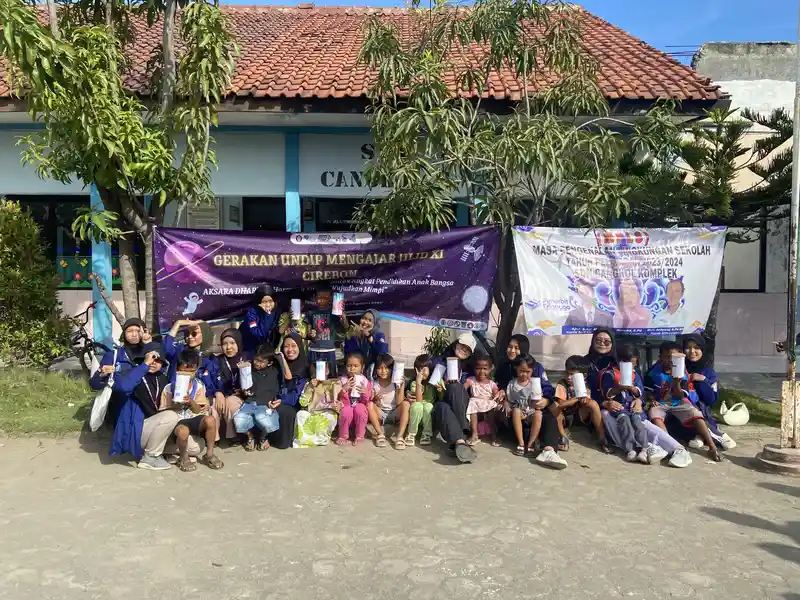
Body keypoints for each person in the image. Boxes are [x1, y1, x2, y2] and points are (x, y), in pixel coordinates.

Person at [93, 341, 180, 470]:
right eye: (151, 358)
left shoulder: (163, 379)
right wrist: (144, 365)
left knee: (195, 446)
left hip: (154, 429)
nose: (153, 362)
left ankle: (161, 452)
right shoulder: (133, 375)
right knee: (170, 416)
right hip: (136, 432)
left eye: (158, 359)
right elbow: (124, 386)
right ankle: (150, 457)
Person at [645, 341, 723, 462]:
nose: (670, 361)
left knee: (696, 414)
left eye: (674, 358)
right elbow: (647, 390)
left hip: (678, 403)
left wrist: (676, 383)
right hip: (660, 403)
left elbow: (681, 396)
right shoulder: (653, 372)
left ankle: (712, 447)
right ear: (660, 358)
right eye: (667, 357)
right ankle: (671, 447)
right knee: (654, 415)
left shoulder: (682, 373)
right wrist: (652, 399)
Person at [162, 351, 223, 471]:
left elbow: (197, 410)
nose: (188, 374)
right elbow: (163, 411)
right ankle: (184, 458)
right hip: (176, 421)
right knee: (183, 431)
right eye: (185, 370)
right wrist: (176, 404)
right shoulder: (169, 388)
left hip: (192, 418)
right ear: (177, 369)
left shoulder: (199, 386)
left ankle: (209, 454)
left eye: (192, 371)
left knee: (210, 420)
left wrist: (190, 401)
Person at [680, 334, 736, 450]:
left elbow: (712, 400)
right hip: (682, 410)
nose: (692, 351)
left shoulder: (708, 372)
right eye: (688, 347)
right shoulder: (679, 367)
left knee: (698, 411)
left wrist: (703, 380)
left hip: (702, 411)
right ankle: (713, 435)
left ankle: (702, 435)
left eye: (696, 348)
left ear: (703, 350)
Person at [599, 344, 648, 463]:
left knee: (637, 422)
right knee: (624, 420)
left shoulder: (635, 374)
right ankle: (630, 449)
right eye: (629, 364)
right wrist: (619, 388)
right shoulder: (610, 374)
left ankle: (644, 448)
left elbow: (640, 393)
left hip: (631, 406)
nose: (632, 366)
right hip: (620, 407)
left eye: (634, 364)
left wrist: (632, 388)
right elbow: (607, 393)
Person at [234, 344, 281, 451]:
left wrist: (272, 400)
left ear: (270, 363)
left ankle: (263, 437)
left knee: (266, 420)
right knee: (239, 419)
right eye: (256, 359)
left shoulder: (274, 372)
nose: (257, 363)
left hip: (265, 402)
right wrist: (244, 392)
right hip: (250, 401)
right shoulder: (248, 369)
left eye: (261, 361)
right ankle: (250, 437)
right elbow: (243, 386)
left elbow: (276, 387)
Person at [206, 328, 247, 443]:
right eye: (225, 344)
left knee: (230, 402)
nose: (228, 347)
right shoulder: (216, 361)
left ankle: (234, 436)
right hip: (223, 395)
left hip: (243, 396)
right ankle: (214, 439)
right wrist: (217, 392)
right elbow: (209, 380)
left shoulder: (247, 358)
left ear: (238, 343)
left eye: (232, 343)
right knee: (213, 403)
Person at [507, 354, 550, 457]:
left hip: (531, 411)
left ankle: (531, 444)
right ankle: (521, 443)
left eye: (527, 372)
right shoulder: (512, 384)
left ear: (532, 370)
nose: (524, 374)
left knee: (538, 413)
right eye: (521, 371)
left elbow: (537, 401)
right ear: (516, 368)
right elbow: (511, 401)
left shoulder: (534, 384)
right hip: (519, 412)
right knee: (516, 410)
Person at [294, 362, 342, 448]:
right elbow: (303, 402)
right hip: (312, 411)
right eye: (315, 372)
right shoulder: (309, 384)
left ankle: (321, 439)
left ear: (327, 371)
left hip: (328, 410)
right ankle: (306, 439)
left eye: (323, 370)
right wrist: (310, 388)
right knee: (300, 414)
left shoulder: (334, 383)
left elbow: (340, 398)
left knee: (330, 416)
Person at [367, 353, 407, 449]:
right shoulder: (374, 384)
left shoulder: (395, 383)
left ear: (392, 369)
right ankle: (380, 434)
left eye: (387, 368)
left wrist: (401, 387)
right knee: (369, 404)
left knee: (406, 404)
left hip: (394, 413)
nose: (383, 371)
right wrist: (374, 398)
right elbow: (371, 401)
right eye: (380, 368)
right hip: (380, 413)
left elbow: (399, 402)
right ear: (376, 369)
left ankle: (400, 437)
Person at [306, 283, 345, 378]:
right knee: (314, 377)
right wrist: (311, 334)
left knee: (331, 377)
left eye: (326, 297)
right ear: (315, 298)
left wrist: (343, 319)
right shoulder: (311, 312)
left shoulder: (335, 311)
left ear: (331, 298)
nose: (322, 300)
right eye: (319, 297)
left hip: (329, 350)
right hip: (314, 349)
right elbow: (308, 332)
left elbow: (344, 326)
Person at [403, 354, 442, 448]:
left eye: (424, 369)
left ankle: (427, 434)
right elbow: (419, 401)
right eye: (419, 369)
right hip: (416, 411)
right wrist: (418, 383)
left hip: (428, 413)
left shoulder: (434, 381)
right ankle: (411, 433)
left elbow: (441, 399)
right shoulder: (414, 383)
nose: (422, 372)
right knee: (418, 406)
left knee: (428, 406)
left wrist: (440, 390)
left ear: (430, 369)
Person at [465, 354, 503, 446]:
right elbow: (463, 387)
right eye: (478, 368)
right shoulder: (471, 380)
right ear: (474, 369)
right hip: (475, 402)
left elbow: (495, 392)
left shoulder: (491, 383)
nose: (481, 371)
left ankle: (493, 434)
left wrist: (497, 394)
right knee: (472, 403)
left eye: (485, 369)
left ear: (490, 369)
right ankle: (474, 434)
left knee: (492, 406)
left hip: (487, 402)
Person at [336, 352, 373, 446]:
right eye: (349, 365)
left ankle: (360, 436)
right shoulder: (342, 380)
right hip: (346, 407)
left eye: (356, 366)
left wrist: (364, 393)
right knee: (346, 411)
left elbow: (366, 401)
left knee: (360, 409)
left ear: (362, 367)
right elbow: (338, 397)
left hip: (359, 408)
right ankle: (343, 435)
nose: (352, 369)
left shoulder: (365, 382)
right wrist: (344, 389)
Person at [343, 309, 388, 378]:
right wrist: (350, 334)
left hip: (372, 374)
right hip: (356, 373)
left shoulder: (379, 335)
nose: (365, 322)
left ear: (375, 323)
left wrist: (368, 336)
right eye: (364, 318)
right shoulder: (355, 334)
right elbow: (349, 354)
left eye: (370, 320)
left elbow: (382, 353)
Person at [240, 284, 280, 354]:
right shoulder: (252, 313)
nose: (268, 305)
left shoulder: (277, 311)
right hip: (250, 349)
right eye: (264, 302)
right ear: (259, 303)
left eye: (270, 301)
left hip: (268, 350)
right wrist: (268, 314)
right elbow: (260, 333)